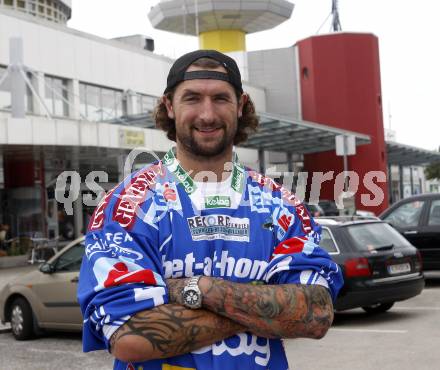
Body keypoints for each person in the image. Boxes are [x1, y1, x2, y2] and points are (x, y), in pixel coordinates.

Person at [78, 49, 344, 370]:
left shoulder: (281, 205)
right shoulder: (128, 205)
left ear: (241, 105)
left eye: (220, 98)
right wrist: (263, 308)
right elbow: (129, 338)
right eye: (192, 98)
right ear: (169, 106)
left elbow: (315, 314)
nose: (207, 115)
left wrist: (197, 289)